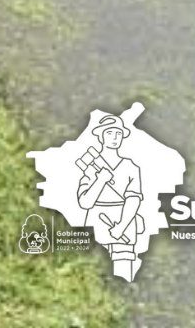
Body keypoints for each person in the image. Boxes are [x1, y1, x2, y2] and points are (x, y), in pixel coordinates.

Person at [77, 113, 144, 281]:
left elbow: (133, 198)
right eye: (109, 133)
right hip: (96, 219)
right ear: (101, 137)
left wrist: (121, 226)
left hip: (124, 220)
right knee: (90, 269)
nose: (114, 138)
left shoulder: (131, 167)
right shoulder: (90, 167)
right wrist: (100, 180)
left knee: (123, 271)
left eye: (118, 134)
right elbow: (85, 202)